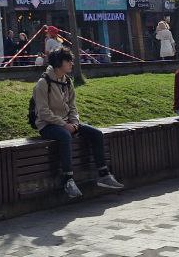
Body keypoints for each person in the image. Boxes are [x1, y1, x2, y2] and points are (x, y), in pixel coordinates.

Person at [29, 49, 123, 198]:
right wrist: (63, 124)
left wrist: (74, 122)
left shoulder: (67, 81)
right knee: (65, 136)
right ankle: (68, 180)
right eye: (68, 61)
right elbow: (43, 112)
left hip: (68, 122)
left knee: (96, 134)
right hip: (47, 125)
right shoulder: (43, 83)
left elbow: (73, 107)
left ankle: (104, 175)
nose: (71, 63)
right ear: (59, 63)